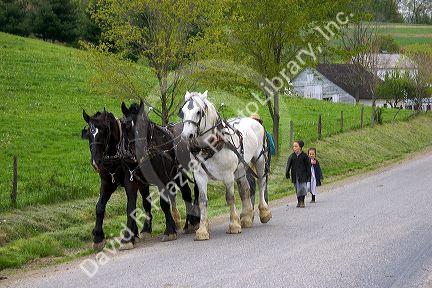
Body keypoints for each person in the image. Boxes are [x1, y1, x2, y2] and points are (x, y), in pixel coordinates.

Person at [247, 113, 275, 208]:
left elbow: (272, 149)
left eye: (256, 121)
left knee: (260, 184)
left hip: (258, 163)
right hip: (249, 165)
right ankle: (252, 207)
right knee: (253, 185)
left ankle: (264, 205)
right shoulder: (264, 134)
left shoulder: (266, 135)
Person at [285, 140, 311, 208]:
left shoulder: (304, 156)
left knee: (303, 188)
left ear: (300, 147)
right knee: (297, 189)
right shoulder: (292, 156)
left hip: (303, 175)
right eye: (293, 146)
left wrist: (309, 174)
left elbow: (308, 166)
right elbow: (288, 165)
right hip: (295, 175)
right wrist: (287, 173)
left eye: (296, 146)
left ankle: (302, 201)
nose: (294, 148)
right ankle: (299, 201)